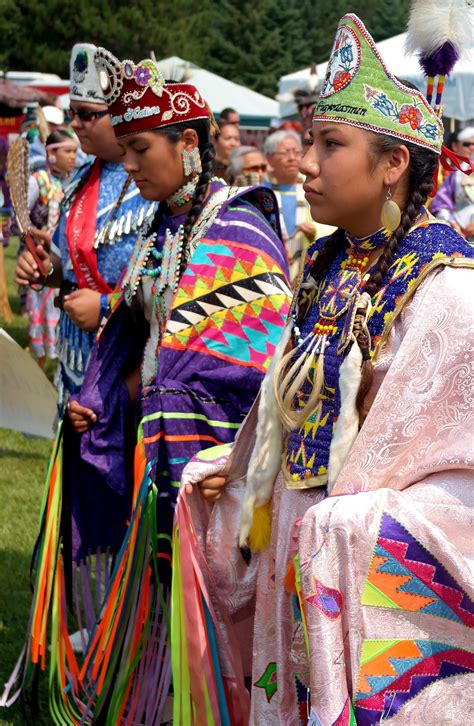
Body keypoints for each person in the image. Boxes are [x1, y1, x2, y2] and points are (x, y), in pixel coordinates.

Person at [175, 12, 473, 724]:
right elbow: (297, 416)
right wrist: (245, 471)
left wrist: (354, 525)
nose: (305, 164)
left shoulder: (451, 296)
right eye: (308, 142)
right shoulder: (327, 269)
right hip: (298, 558)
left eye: (330, 144)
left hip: (362, 577)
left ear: (393, 163)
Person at [4, 49, 291, 723]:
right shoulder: (162, 229)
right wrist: (103, 398)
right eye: (124, 150)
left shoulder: (238, 227)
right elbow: (138, 327)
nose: (129, 166)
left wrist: (144, 391)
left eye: (139, 150)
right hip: (157, 455)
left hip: (218, 468)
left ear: (187, 143)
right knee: (164, 601)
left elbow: (244, 363)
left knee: (214, 611)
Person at [15, 43, 156, 410]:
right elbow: (68, 268)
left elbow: (172, 283)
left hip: (131, 364)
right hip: (74, 359)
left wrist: (106, 307)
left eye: (87, 114)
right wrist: (45, 269)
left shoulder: (153, 183)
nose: (74, 123)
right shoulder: (79, 179)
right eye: (72, 112)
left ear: (121, 114)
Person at [25, 129, 78, 367]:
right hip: (42, 259)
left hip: (65, 263)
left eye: (75, 152)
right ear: (51, 153)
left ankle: (58, 368)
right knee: (42, 318)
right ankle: (36, 370)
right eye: (68, 151)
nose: (73, 158)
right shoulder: (38, 181)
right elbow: (19, 220)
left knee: (60, 318)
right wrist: (43, 235)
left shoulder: (73, 181)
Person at [264, 129, 318, 282]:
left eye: (296, 152)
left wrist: (315, 231)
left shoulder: (313, 187)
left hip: (305, 270)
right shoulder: (260, 191)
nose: (292, 158)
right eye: (285, 153)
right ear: (269, 158)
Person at [431, 126, 474, 244]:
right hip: (458, 237)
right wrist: (453, 226)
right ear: (454, 146)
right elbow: (440, 204)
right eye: (467, 144)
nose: (472, 148)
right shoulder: (453, 174)